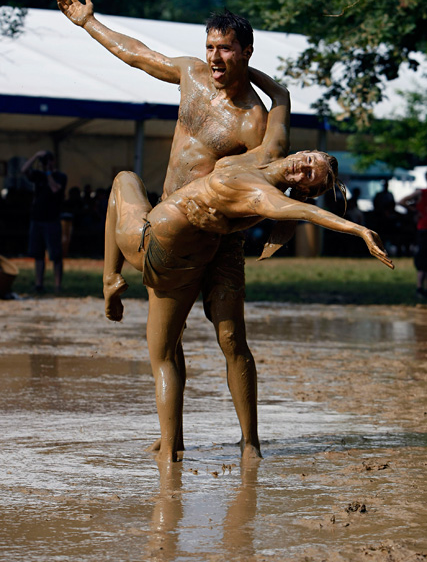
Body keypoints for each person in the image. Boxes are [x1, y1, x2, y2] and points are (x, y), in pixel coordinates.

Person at [56, 0, 292, 460]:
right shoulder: (191, 75)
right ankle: (172, 443)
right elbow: (137, 55)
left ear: (246, 51)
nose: (215, 57)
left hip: (220, 237)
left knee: (231, 339)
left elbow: (272, 159)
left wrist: (279, 93)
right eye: (210, 46)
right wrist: (88, 23)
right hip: (170, 227)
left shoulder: (254, 119)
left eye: (225, 48)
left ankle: (250, 444)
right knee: (167, 340)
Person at [104, 147, 393, 462]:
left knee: (124, 179)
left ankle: (109, 278)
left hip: (154, 246)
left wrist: (359, 230)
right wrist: (277, 94)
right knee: (170, 350)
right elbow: (278, 111)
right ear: (304, 151)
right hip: (189, 255)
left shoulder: (265, 196)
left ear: (304, 190)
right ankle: (176, 443)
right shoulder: (261, 157)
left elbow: (309, 213)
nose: (302, 167)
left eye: (309, 175)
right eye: (309, 160)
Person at [21, 150, 67, 294]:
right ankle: (39, 284)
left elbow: (54, 189)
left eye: (47, 161)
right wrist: (35, 156)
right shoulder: (38, 175)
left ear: (53, 161)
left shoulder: (60, 176)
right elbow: (23, 170)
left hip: (52, 220)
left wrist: (48, 172)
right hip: (37, 219)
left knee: (55, 255)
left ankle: (57, 285)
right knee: (38, 254)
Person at [398, 172, 427, 298]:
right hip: (424, 229)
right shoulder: (421, 193)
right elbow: (401, 201)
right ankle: (420, 288)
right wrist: (414, 210)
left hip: (423, 229)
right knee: (422, 259)